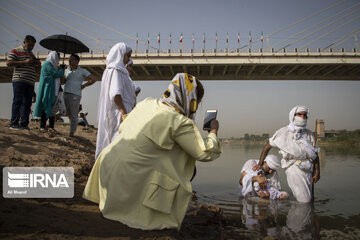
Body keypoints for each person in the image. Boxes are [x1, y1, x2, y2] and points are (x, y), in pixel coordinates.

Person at [83, 73, 222, 230]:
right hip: (130, 179)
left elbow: (124, 126)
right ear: (191, 100)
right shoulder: (179, 121)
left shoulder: (146, 103)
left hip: (108, 170)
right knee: (187, 165)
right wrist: (213, 131)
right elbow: (205, 153)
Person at [254, 105, 320, 203]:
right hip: (293, 167)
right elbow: (267, 147)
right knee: (304, 201)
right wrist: (260, 164)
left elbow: (315, 154)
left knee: (309, 199)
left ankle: (304, 216)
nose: (302, 117)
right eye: (299, 114)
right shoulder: (284, 132)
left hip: (308, 168)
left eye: (305, 115)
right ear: (293, 116)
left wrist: (317, 172)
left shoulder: (309, 134)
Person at [95, 42, 135, 159]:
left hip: (121, 110)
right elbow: (116, 94)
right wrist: (123, 112)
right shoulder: (116, 71)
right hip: (119, 112)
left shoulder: (119, 71)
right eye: (127, 56)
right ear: (120, 54)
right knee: (117, 139)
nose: (128, 60)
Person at [7, 35, 41, 130]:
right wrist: (24, 62)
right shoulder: (16, 51)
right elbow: (9, 63)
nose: (31, 47)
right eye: (29, 45)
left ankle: (24, 124)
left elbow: (37, 69)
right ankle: (14, 123)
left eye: (33, 45)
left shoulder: (32, 54)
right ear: (24, 42)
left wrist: (37, 65)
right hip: (19, 79)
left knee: (27, 103)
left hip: (30, 81)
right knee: (17, 101)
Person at [63, 54, 96, 137]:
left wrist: (84, 85)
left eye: (72, 59)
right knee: (63, 111)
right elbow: (62, 82)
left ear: (77, 61)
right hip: (65, 93)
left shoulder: (82, 70)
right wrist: (61, 71)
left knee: (74, 114)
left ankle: (72, 133)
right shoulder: (66, 70)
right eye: (69, 59)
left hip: (75, 94)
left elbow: (93, 79)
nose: (70, 61)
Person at [33, 51, 65, 133]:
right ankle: (42, 126)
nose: (58, 60)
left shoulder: (53, 66)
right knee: (46, 106)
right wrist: (61, 69)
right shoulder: (47, 64)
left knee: (53, 109)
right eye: (58, 58)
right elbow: (55, 74)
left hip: (53, 90)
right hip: (48, 89)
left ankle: (51, 126)